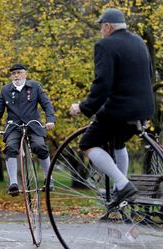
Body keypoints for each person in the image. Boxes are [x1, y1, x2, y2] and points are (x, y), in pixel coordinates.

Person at [69, 8, 155, 209]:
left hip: (120, 109)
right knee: (118, 141)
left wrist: (83, 107)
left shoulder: (105, 45)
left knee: (88, 143)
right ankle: (119, 188)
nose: (101, 31)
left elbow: (102, 84)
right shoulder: (139, 43)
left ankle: (123, 184)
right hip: (144, 109)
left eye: (101, 27)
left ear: (107, 27)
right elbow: (148, 76)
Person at [0, 63, 56, 196]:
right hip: (14, 126)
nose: (16, 76)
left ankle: (49, 179)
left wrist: (50, 120)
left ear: (25, 74)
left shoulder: (35, 87)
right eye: (13, 73)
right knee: (10, 147)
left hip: (33, 125)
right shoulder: (5, 90)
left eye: (19, 72)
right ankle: (13, 183)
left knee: (40, 146)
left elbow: (47, 105)